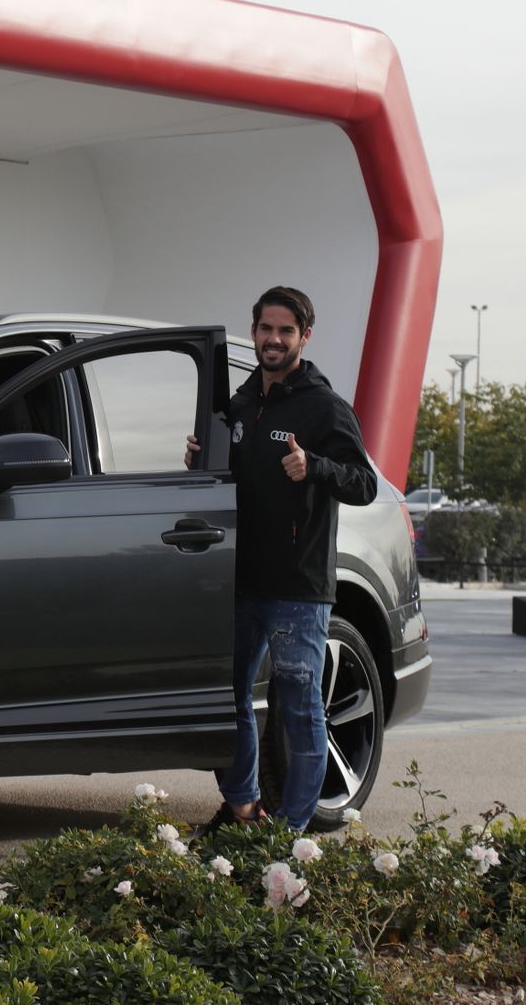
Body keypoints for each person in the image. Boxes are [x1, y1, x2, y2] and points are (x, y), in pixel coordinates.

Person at [185, 286, 378, 832]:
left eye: (285, 331)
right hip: (238, 581)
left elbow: (364, 482)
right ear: (254, 332)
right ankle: (244, 808)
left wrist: (314, 466)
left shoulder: (324, 406)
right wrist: (203, 461)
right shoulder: (240, 403)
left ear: (304, 337)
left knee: (299, 711)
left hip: (297, 587)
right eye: (266, 329)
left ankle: (293, 833)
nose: (273, 339)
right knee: (229, 700)